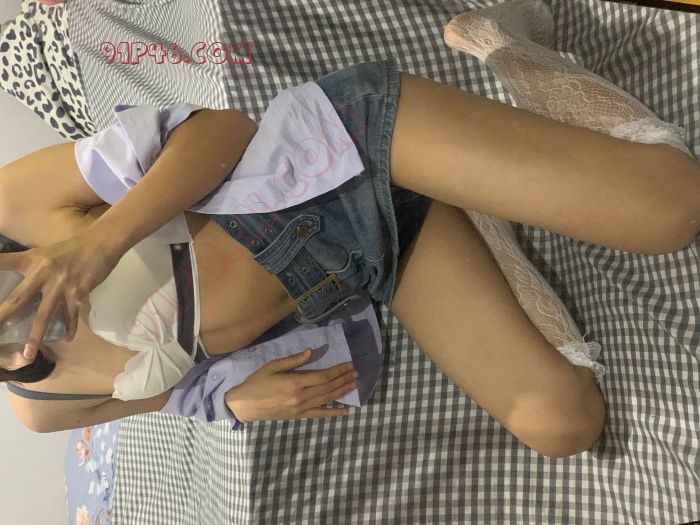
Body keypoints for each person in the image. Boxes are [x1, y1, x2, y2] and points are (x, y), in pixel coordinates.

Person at [0, 0, 698, 458]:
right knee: (561, 425)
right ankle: (475, 208)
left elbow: (222, 131)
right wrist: (232, 401)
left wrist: (100, 242)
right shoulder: (43, 405)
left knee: (673, 211)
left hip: (342, 153)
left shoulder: (16, 208)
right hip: (371, 258)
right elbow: (172, 389)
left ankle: (497, 41)